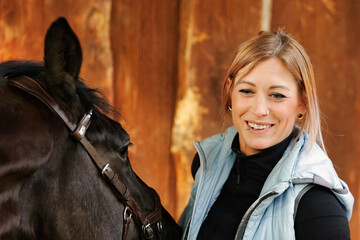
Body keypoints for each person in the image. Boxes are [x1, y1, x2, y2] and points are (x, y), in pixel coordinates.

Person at [180, 30, 354, 240]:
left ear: (303, 102)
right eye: (246, 91)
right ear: (229, 91)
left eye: (277, 95)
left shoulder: (317, 206)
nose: (260, 109)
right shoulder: (206, 164)